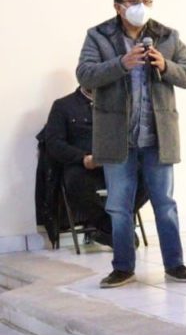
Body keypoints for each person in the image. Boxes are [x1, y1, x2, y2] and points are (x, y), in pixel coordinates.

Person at [76, 0, 186, 288]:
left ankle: (175, 265)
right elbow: (85, 74)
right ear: (118, 7)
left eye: (146, 0)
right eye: (133, 1)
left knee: (165, 205)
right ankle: (123, 267)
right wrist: (121, 64)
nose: (141, 6)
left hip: (158, 137)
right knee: (119, 206)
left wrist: (165, 65)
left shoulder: (167, 36)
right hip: (117, 138)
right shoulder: (98, 36)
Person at [39, 87, 149, 247]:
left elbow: (132, 134)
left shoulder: (118, 103)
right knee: (75, 181)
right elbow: (54, 143)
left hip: (115, 162)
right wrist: (83, 158)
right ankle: (113, 227)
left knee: (149, 176)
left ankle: (107, 227)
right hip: (83, 165)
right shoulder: (63, 105)